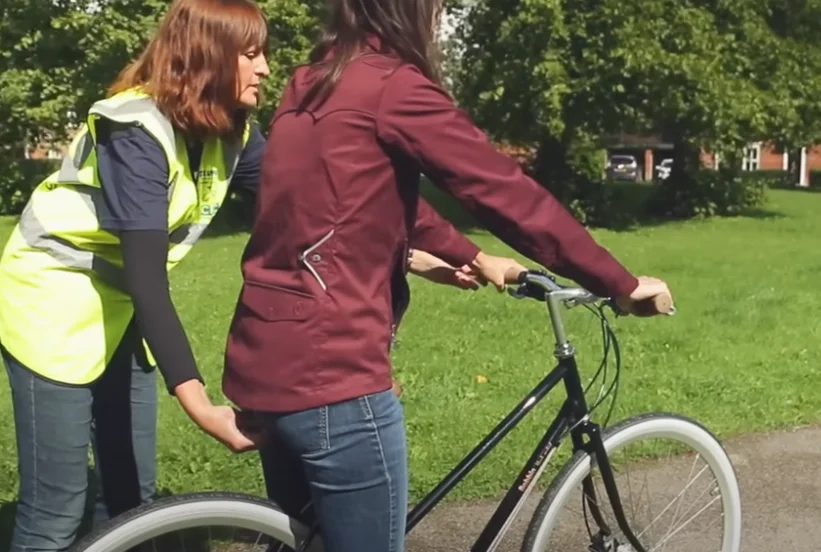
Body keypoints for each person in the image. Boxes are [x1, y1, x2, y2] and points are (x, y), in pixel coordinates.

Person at [220, 0, 674, 550]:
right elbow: (504, 192)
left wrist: (475, 257)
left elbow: (372, 194)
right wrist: (618, 284)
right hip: (332, 374)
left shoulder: (308, 84)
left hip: (265, 358)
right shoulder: (392, 87)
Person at [0, 0, 273, 550]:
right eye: (250, 54)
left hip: (121, 302)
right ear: (206, 58)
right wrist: (200, 406)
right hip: (50, 303)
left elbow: (311, 204)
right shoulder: (134, 131)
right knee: (56, 511)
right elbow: (150, 278)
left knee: (133, 501)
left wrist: (420, 252)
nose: (265, 67)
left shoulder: (230, 132)